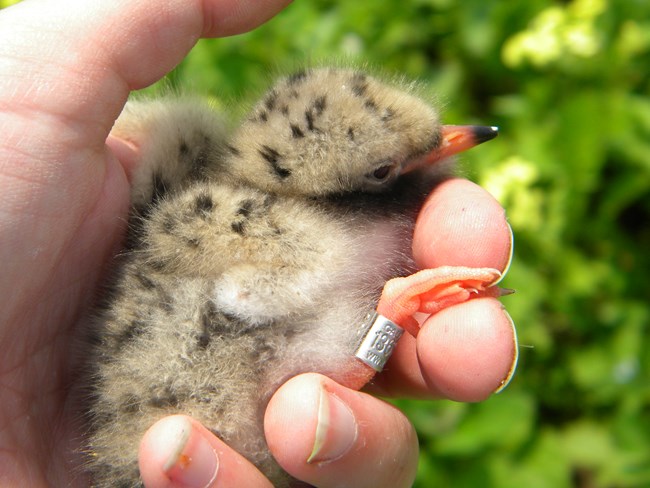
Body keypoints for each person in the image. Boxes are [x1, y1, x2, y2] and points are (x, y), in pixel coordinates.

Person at [0, 1, 517, 486]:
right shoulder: (278, 236)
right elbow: (279, 325)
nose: (450, 139)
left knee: (309, 420)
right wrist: (389, 319)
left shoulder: (224, 206)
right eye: (384, 168)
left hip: (150, 423)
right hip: (189, 407)